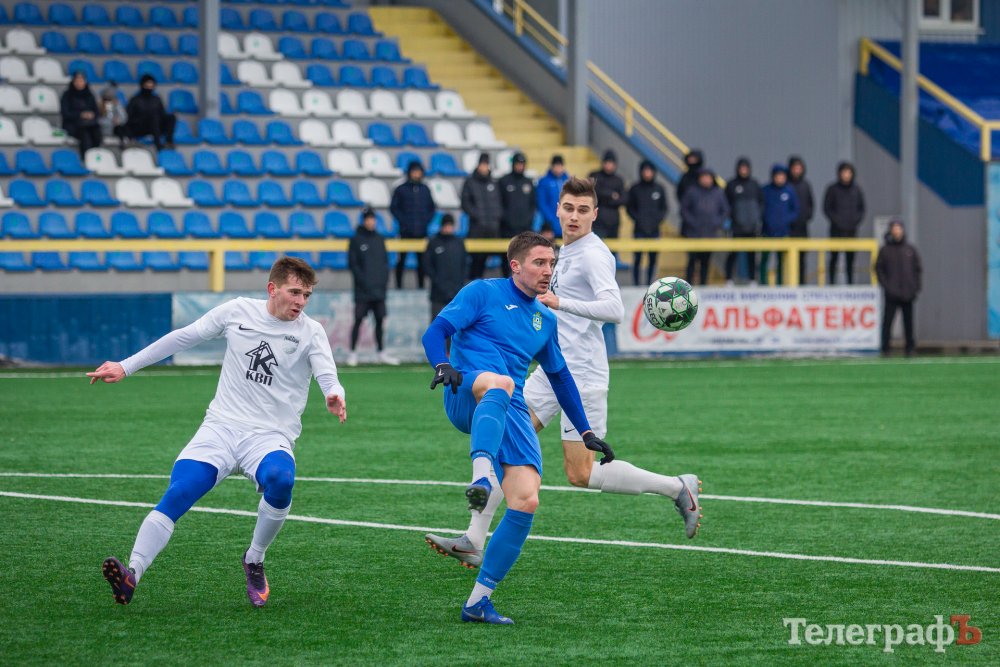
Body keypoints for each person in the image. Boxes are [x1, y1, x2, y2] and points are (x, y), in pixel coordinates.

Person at [425, 177, 702, 574]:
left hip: (582, 373)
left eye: (583, 210)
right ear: (557, 209)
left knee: (581, 473)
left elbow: (614, 309)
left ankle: (676, 487)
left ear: (595, 214)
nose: (574, 216)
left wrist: (560, 302)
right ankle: (473, 538)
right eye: (568, 208)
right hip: (549, 371)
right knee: (507, 446)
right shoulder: (563, 252)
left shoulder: (594, 255)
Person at [88, 257, 347, 608]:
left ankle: (254, 559)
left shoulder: (310, 331)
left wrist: (334, 394)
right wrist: (126, 365)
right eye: (295, 292)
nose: (301, 301)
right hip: (221, 428)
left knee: (281, 479)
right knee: (180, 492)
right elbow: (183, 337)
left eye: (307, 295)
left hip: (269, 436)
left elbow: (328, 375)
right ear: (272, 289)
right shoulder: (237, 311)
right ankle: (132, 574)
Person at [419, 227, 618, 625]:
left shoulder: (545, 319)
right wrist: (442, 363)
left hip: (508, 409)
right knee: (502, 382)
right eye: (539, 263)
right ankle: (481, 478)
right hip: (465, 390)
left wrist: (585, 432)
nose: (548, 271)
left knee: (526, 500)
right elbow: (436, 330)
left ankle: (478, 602)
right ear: (515, 266)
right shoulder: (482, 292)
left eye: (551, 263)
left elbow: (560, 377)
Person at [347, 208, 397, 367]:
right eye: (368, 219)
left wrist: (383, 282)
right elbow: (353, 265)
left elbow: (385, 263)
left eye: (373, 219)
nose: (371, 221)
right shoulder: (356, 240)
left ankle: (381, 353)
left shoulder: (380, 239)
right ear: (364, 221)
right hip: (362, 291)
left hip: (379, 291)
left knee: (380, 321)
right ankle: (352, 353)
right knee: (358, 321)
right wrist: (364, 283)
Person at [876, 219, 922, 356]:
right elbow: (879, 270)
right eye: (894, 228)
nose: (897, 231)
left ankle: (910, 348)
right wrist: (887, 286)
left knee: (909, 323)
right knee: (887, 322)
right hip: (892, 293)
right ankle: (885, 349)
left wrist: (915, 288)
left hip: (908, 293)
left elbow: (917, 270)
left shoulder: (910, 250)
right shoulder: (885, 250)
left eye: (899, 228)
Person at [389, 160, 436, 289]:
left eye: (419, 171)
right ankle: (398, 286)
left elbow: (432, 208)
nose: (416, 174)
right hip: (405, 232)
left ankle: (421, 286)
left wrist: (425, 222)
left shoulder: (425, 189)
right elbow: (394, 208)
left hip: (421, 232)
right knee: (401, 260)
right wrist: (404, 222)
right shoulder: (401, 189)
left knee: (422, 262)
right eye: (414, 171)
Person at [680, 168, 729, 286]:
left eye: (708, 177)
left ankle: (703, 286)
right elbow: (684, 210)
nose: (706, 180)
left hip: (709, 233)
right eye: (703, 177)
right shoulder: (692, 192)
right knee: (692, 261)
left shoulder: (717, 193)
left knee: (705, 262)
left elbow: (725, 210)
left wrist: (716, 222)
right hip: (693, 234)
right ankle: (688, 287)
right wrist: (692, 222)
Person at [461, 152, 503, 280]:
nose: (484, 167)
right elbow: (465, 203)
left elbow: (500, 203)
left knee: (489, 261)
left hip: (492, 230)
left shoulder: (494, 183)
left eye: (486, 164)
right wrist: (477, 216)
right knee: (475, 262)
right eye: (482, 164)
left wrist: (497, 217)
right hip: (476, 229)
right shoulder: (470, 182)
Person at [823, 162, 866, 284]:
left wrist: (854, 221)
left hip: (851, 230)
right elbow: (827, 208)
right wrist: (837, 221)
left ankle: (850, 284)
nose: (846, 175)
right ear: (839, 174)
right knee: (834, 257)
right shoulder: (832, 189)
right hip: (836, 229)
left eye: (848, 172)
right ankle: (831, 283)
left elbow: (861, 209)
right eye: (844, 172)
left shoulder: (856, 190)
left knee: (850, 259)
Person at [626, 160, 668, 286]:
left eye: (650, 171)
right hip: (639, 229)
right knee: (637, 258)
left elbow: (664, 208)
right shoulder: (635, 188)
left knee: (653, 259)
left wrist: (656, 221)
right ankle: (636, 285)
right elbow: (629, 208)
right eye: (645, 170)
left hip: (654, 230)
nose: (647, 173)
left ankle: (651, 284)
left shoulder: (659, 189)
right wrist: (639, 219)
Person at [724, 157, 763, 285]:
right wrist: (729, 220)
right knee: (733, 253)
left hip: (751, 226)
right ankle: (729, 279)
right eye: (741, 168)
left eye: (746, 168)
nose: (743, 171)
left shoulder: (754, 185)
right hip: (736, 226)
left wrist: (757, 219)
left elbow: (760, 203)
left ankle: (752, 279)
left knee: (752, 254)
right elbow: (726, 204)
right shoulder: (731, 185)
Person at [760, 164, 799, 286]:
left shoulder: (789, 191)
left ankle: (780, 284)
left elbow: (795, 210)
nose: (780, 178)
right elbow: (760, 208)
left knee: (781, 260)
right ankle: (763, 283)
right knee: (764, 259)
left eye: (782, 176)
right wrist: (766, 219)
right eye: (777, 176)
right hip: (767, 231)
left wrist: (786, 220)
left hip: (783, 231)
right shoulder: (766, 190)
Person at [499, 152, 537, 277]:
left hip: (524, 229)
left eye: (522, 164)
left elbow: (533, 204)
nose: (520, 166)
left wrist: (528, 220)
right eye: (518, 164)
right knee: (507, 260)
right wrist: (506, 219)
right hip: (507, 229)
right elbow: (499, 203)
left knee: (525, 259)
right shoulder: (504, 181)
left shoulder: (528, 182)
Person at [425, 213, 467, 319]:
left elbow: (465, 264)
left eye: (450, 226)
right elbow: (427, 265)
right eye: (446, 225)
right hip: (437, 293)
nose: (448, 228)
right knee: (436, 324)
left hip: (456, 292)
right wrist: (437, 281)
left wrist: (460, 284)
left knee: (455, 324)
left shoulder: (459, 243)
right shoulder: (433, 242)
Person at [125, 74, 177, 151]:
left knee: (171, 117)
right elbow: (128, 117)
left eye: (151, 85)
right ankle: (158, 145)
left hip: (155, 127)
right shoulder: (135, 100)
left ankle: (169, 141)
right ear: (142, 85)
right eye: (147, 85)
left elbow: (162, 114)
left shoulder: (157, 99)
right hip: (140, 127)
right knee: (153, 117)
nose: (149, 87)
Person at [60, 71, 101, 159]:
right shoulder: (67, 95)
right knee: (85, 135)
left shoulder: (90, 95)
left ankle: (96, 158)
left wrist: (91, 115)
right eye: (77, 80)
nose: (79, 83)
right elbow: (66, 113)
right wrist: (80, 115)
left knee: (97, 133)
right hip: (73, 124)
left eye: (82, 80)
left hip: (89, 124)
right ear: (73, 82)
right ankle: (87, 158)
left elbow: (97, 112)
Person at [787, 156, 814, 284]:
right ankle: (789, 284)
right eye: (795, 168)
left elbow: (811, 204)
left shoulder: (805, 185)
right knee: (787, 259)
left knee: (802, 258)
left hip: (802, 227)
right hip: (788, 228)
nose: (797, 171)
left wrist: (806, 217)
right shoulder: (786, 185)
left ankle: (801, 284)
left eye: (799, 168)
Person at [589, 150, 625, 241]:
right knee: (597, 246)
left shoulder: (618, 180)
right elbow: (593, 193)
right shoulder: (595, 176)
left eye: (611, 163)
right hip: (598, 221)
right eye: (607, 162)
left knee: (613, 248)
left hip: (613, 222)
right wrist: (611, 194)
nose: (609, 165)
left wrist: (605, 199)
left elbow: (624, 199)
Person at [536, 155, 568, 237]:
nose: (558, 169)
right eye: (556, 166)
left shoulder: (568, 181)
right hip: (550, 224)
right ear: (552, 166)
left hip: (566, 222)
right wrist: (552, 220)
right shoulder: (544, 182)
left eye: (560, 166)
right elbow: (542, 203)